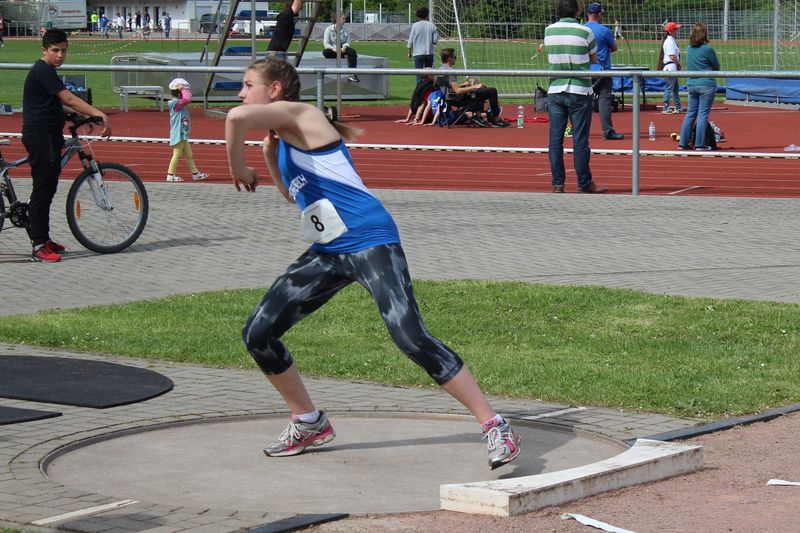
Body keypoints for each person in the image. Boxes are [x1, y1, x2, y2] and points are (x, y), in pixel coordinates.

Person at [224, 58, 522, 470]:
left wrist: (238, 167)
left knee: (410, 337)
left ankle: (495, 424)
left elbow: (235, 118)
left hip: (370, 239)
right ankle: (308, 421)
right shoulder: (284, 137)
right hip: (329, 250)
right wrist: (271, 157)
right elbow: (294, 196)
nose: (241, 93)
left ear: (274, 90)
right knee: (258, 334)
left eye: (247, 84)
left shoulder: (302, 114)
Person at [22, 28, 111, 262]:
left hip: (48, 134)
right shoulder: (43, 70)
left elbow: (55, 104)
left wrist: (81, 115)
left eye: (64, 51)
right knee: (43, 189)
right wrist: (99, 113)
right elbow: (68, 97)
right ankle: (38, 245)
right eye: (55, 50)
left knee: (49, 188)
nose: (60, 55)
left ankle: (44, 238)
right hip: (40, 136)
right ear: (44, 50)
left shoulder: (47, 71)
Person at [544, 0, 607, 194]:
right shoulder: (585, 31)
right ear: (577, 12)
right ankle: (584, 183)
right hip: (580, 90)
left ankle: (558, 183)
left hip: (555, 89)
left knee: (555, 140)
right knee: (580, 139)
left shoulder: (549, 31)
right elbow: (594, 60)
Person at [440, 47, 508, 127]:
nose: (455, 59)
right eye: (454, 57)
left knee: (479, 92)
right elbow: (457, 90)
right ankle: (495, 119)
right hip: (457, 99)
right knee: (492, 91)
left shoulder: (438, 71)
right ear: (449, 58)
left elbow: (447, 87)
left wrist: (464, 84)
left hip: (447, 99)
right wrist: (476, 86)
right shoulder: (451, 71)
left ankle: (478, 117)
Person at [584, 3, 624, 140]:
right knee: (604, 100)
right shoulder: (604, 30)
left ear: (587, 14)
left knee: (582, 100)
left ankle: (575, 128)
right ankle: (607, 131)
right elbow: (614, 48)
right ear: (599, 14)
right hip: (602, 69)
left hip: (585, 69)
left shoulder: (582, 29)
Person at [678, 22, 720, 151]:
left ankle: (683, 143)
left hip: (692, 84)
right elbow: (716, 66)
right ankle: (700, 144)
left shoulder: (689, 48)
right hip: (706, 84)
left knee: (690, 113)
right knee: (702, 115)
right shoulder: (707, 49)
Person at [165, 78, 208, 183]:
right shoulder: (175, 104)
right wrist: (183, 89)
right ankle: (170, 175)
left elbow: (188, 97)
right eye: (184, 91)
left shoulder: (180, 104)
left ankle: (195, 174)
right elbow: (187, 99)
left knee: (189, 155)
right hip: (178, 135)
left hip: (182, 135)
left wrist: (183, 89)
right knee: (177, 155)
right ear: (179, 93)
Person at [323, 14, 359, 82]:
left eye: (345, 19)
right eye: (343, 19)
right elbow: (326, 44)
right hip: (333, 49)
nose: (344, 20)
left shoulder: (345, 30)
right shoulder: (328, 29)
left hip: (342, 49)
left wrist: (344, 47)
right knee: (325, 52)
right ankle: (344, 55)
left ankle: (353, 74)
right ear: (338, 19)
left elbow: (348, 41)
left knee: (352, 52)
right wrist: (334, 49)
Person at [658, 21, 683, 113]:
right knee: (669, 88)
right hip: (671, 67)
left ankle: (678, 106)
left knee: (675, 88)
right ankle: (665, 107)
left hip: (672, 67)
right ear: (672, 31)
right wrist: (678, 64)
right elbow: (672, 56)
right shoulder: (669, 41)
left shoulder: (671, 40)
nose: (677, 30)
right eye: (676, 29)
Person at [407, 7, 438, 82]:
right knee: (429, 75)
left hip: (418, 53)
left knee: (419, 75)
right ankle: (428, 88)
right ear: (427, 15)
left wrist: (409, 51)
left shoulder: (415, 25)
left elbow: (411, 39)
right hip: (429, 52)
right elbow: (435, 41)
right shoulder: (432, 25)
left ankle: (419, 88)